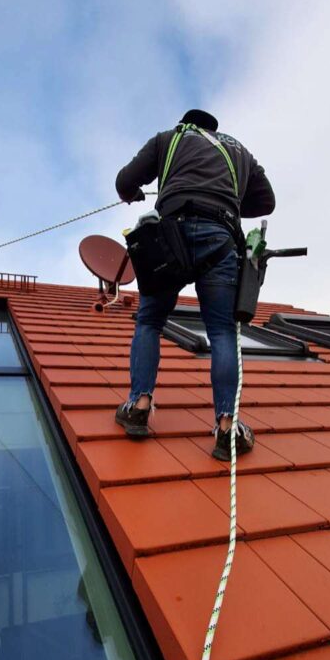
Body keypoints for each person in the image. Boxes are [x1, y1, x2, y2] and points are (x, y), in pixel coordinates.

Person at [113, 109, 275, 461]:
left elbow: (125, 181)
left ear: (186, 123)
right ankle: (227, 428)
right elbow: (267, 202)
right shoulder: (240, 152)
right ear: (215, 129)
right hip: (220, 238)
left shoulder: (167, 139)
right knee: (221, 332)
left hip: (170, 236)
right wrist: (227, 198)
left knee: (149, 320)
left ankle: (139, 405)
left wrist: (135, 193)